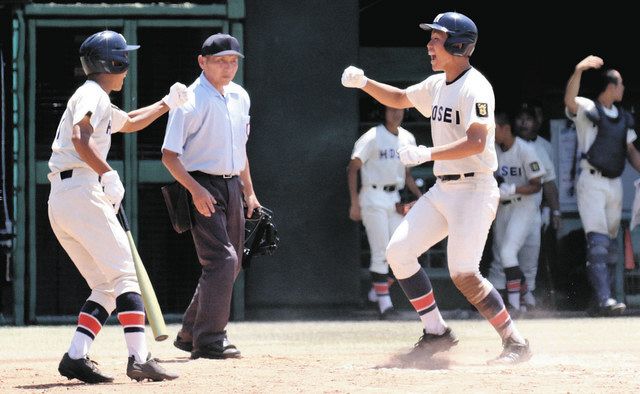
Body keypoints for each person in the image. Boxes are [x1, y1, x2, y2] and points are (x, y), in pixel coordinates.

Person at [341, 11, 531, 364]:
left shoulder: (476, 86)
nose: (429, 44)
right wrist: (364, 81)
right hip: (445, 189)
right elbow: (399, 98)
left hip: (474, 189)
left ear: (459, 45)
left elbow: (476, 142)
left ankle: (515, 341)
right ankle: (436, 332)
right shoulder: (437, 83)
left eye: (437, 38)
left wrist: (427, 152)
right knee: (397, 253)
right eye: (431, 37)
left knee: (463, 273)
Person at [48, 30, 185, 383]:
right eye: (124, 61)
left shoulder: (98, 98)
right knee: (125, 275)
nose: (127, 68)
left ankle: (75, 357)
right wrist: (106, 173)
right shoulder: (92, 93)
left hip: (65, 198)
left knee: (106, 288)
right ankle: (139, 358)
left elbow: (132, 122)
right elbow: (80, 137)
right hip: (80, 190)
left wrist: (167, 103)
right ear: (113, 63)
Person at [162, 33, 260, 359]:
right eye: (221, 61)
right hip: (201, 184)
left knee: (230, 266)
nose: (228, 67)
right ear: (202, 61)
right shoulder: (189, 100)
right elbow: (169, 156)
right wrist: (196, 190)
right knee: (222, 260)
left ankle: (191, 331)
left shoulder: (240, 96)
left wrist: (250, 192)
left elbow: (240, 149)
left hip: (232, 184)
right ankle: (209, 341)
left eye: (233, 61)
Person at [564, 55, 640, 315]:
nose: (623, 89)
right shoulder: (589, 108)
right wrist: (578, 70)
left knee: (610, 242)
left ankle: (602, 300)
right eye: (620, 84)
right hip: (591, 181)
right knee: (597, 242)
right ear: (610, 86)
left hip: (614, 184)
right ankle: (605, 298)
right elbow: (569, 101)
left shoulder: (622, 116)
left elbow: (630, 151)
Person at [347, 105, 422, 319]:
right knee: (381, 252)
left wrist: (420, 196)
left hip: (395, 197)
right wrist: (354, 202)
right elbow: (352, 168)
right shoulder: (372, 136)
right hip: (372, 196)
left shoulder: (407, 138)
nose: (396, 114)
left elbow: (407, 175)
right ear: (384, 112)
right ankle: (385, 306)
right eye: (391, 110)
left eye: (399, 110)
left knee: (402, 250)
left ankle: (375, 293)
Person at [488, 110, 545, 313]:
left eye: (494, 129)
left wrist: (513, 189)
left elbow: (537, 184)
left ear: (505, 128)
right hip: (503, 206)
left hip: (524, 203)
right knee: (501, 256)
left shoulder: (525, 149)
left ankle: (514, 304)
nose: (491, 133)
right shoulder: (492, 149)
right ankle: (521, 297)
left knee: (509, 252)